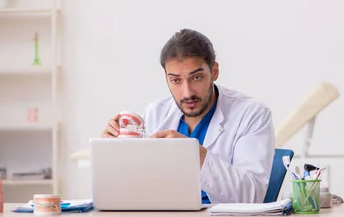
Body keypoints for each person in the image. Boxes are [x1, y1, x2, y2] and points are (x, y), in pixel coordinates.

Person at [102, 29, 275, 204]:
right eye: (176, 80)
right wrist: (113, 154)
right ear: (166, 78)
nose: (187, 93)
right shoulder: (155, 113)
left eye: (197, 77)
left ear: (214, 71)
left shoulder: (252, 114)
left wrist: (193, 154)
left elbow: (252, 196)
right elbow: (135, 188)